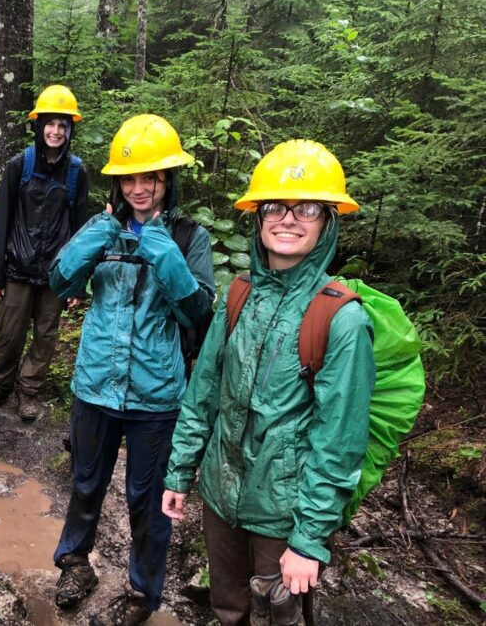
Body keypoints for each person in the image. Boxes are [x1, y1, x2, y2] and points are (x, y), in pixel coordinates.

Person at [161, 140, 373, 626]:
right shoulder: (240, 294)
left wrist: (308, 539)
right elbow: (204, 393)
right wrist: (180, 471)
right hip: (220, 497)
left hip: (284, 515)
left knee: (277, 617)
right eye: (274, 206)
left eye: (307, 208)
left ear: (328, 221)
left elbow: (338, 442)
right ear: (258, 217)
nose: (288, 218)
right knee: (228, 607)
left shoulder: (339, 318)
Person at [49, 114, 215, 625]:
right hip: (95, 384)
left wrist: (166, 257)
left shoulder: (190, 236)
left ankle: (143, 593)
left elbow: (199, 312)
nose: (140, 189)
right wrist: (84, 244)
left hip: (156, 394)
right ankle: (76, 563)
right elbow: (60, 285)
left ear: (168, 179)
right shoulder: (103, 227)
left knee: (148, 499)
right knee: (85, 482)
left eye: (151, 178)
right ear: (118, 182)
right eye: (130, 178)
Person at [0, 84, 89, 422]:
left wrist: (77, 283)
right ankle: (0, 384)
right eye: (50, 124)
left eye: (62, 125)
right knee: (9, 331)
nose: (55, 131)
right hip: (18, 268)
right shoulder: (18, 165)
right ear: (39, 126)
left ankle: (29, 392)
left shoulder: (75, 172)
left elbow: (82, 232)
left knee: (46, 335)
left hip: (56, 272)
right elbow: (2, 223)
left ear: (70, 130)